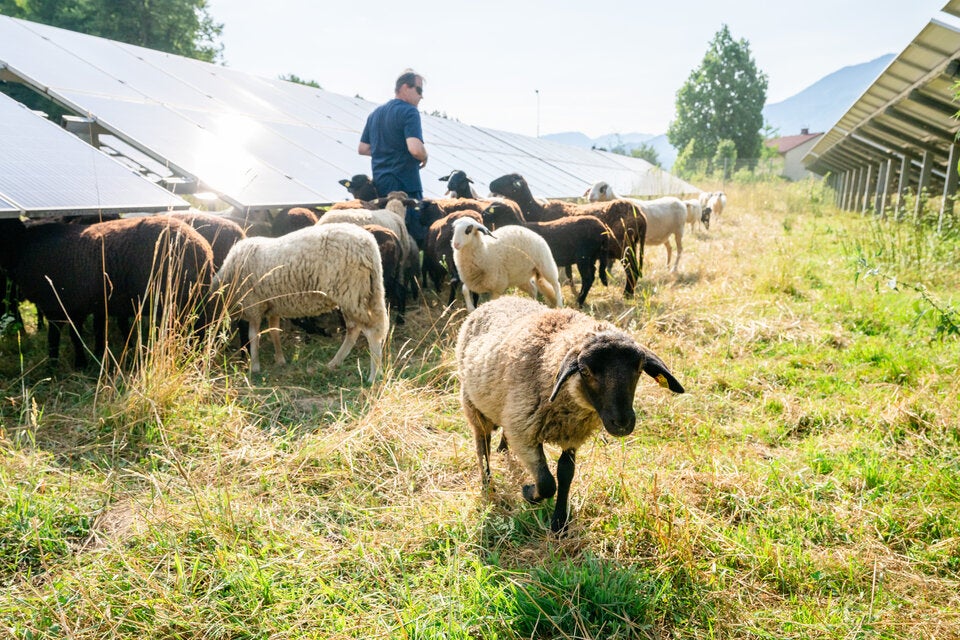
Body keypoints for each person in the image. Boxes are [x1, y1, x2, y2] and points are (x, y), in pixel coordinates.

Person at [358, 69, 429, 242]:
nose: (421, 96)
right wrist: (424, 156)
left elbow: (363, 148)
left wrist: (386, 151)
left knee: (385, 237)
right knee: (409, 238)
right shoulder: (410, 112)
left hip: (381, 187)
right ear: (405, 87)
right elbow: (415, 148)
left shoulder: (375, 114)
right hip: (405, 188)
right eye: (419, 90)